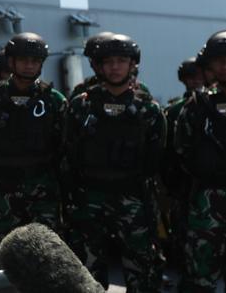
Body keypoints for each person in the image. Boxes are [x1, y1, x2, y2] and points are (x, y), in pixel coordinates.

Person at [64, 33, 165, 292]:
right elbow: (68, 153)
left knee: (141, 272)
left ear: (133, 65)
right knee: (85, 273)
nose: (115, 67)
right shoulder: (80, 107)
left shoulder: (149, 110)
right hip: (89, 199)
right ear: (97, 66)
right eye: (108, 61)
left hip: (133, 200)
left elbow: (158, 160)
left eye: (122, 60)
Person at [0, 32, 67, 271]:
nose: (29, 65)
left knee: (47, 257)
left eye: (35, 61)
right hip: (2, 190)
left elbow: (65, 146)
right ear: (11, 62)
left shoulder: (54, 101)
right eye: (23, 59)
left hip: (43, 191)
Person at [175, 30, 226, 292]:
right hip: (207, 203)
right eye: (219, 60)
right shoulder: (197, 105)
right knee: (199, 277)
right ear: (209, 63)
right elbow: (181, 150)